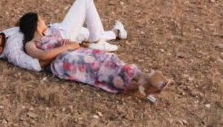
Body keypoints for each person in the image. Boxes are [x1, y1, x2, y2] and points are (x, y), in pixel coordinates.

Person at [19, 11, 169, 100]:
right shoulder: (30, 44)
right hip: (64, 61)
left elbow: (73, 45)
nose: (44, 21)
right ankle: (145, 80)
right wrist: (66, 47)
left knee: (107, 59)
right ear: (36, 23)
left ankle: (144, 82)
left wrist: (68, 44)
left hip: (74, 53)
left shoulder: (52, 34)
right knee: (99, 69)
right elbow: (43, 56)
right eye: (41, 19)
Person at [0, 0, 126, 72]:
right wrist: (62, 49)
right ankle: (97, 43)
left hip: (51, 30)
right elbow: (35, 65)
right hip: (61, 36)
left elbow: (17, 29)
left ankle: (117, 32)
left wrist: (27, 23)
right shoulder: (13, 52)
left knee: (89, 32)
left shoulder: (2, 37)